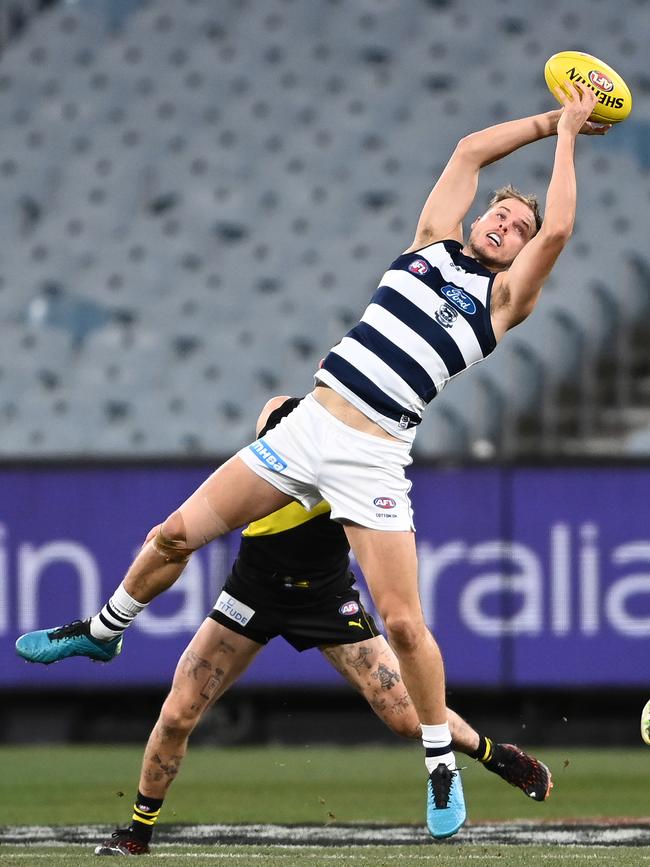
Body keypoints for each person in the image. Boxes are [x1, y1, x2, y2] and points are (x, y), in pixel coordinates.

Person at [16, 81, 607, 839]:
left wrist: (570, 139)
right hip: (308, 428)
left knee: (402, 621)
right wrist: (547, 117)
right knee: (171, 535)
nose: (506, 221)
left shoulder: (501, 303)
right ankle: (103, 627)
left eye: (516, 225)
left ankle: (440, 759)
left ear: (519, 251)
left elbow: (559, 229)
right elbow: (467, 151)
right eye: (500, 210)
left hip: (373, 454)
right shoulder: (427, 243)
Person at [93, 395, 552, 855]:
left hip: (325, 596)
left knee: (408, 718)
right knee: (176, 714)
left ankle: (496, 755)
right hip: (253, 591)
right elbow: (237, 491)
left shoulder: (366, 452)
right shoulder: (282, 414)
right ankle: (138, 831)